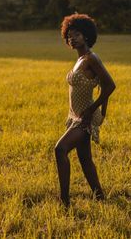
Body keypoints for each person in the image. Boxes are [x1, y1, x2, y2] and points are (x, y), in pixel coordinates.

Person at [55, 13, 116, 208]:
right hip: (75, 115)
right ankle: (99, 197)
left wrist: (94, 111)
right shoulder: (80, 59)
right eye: (70, 35)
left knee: (60, 149)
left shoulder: (91, 58)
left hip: (85, 117)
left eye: (77, 34)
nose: (72, 38)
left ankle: (64, 201)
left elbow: (110, 85)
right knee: (85, 160)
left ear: (87, 36)